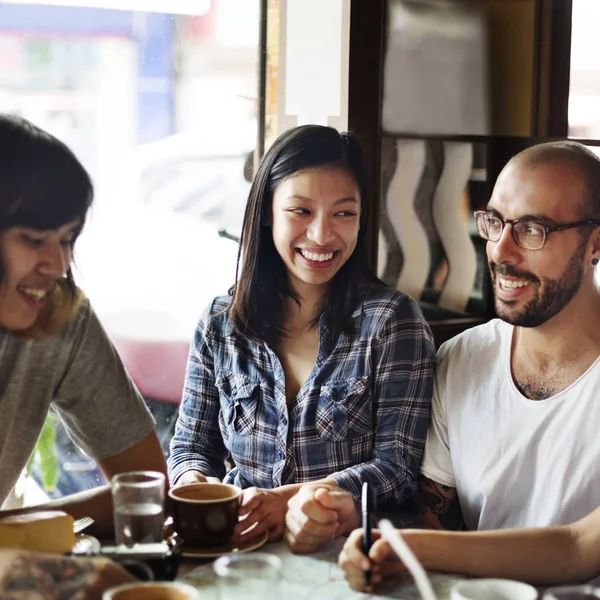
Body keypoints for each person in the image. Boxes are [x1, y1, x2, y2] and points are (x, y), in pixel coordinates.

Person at [322, 140, 600, 590]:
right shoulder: (462, 359)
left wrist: (409, 546)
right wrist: (374, 543)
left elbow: (579, 549)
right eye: (495, 222)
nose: (501, 251)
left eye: (533, 229)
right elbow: (438, 521)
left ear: (596, 243)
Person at [168, 124, 436, 545]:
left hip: (343, 556)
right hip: (239, 549)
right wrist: (195, 485)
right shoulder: (219, 324)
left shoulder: (391, 322)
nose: (322, 235)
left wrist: (291, 500)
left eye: (344, 213)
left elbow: (396, 469)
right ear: (267, 213)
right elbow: (190, 444)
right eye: (301, 211)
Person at [0, 113, 169, 596]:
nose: (57, 265)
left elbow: (145, 488)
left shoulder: (58, 317)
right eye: (34, 240)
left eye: (67, 239)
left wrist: (19, 534)